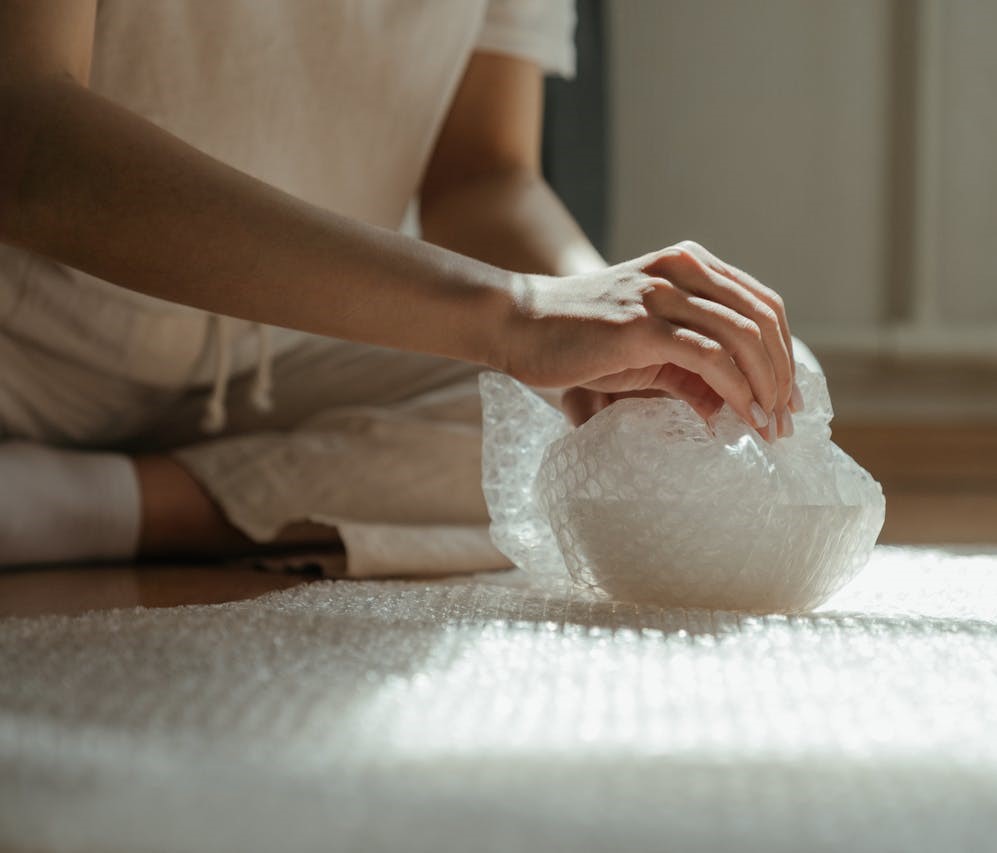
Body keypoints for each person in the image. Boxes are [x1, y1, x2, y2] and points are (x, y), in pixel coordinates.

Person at [0, 0, 800, 575]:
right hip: (22, 348)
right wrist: (517, 313)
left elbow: (479, 175)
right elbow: (24, 137)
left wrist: (604, 319)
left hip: (290, 352)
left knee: (712, 385)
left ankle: (89, 504)